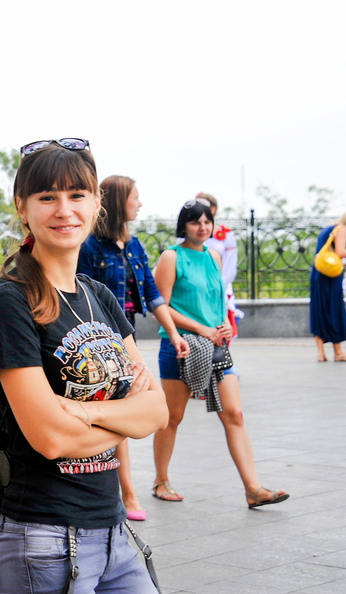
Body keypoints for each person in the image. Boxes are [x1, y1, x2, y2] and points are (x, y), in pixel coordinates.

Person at [0, 138, 168, 593]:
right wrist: (128, 420)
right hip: (43, 539)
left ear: (97, 202)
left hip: (115, 531)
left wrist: (85, 411)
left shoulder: (98, 296)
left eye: (77, 195)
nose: (64, 210)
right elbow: (49, 438)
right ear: (23, 207)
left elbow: (158, 412)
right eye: (48, 197)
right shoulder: (10, 302)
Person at [151, 197, 289, 509]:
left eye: (207, 221)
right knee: (172, 417)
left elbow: (217, 302)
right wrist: (201, 329)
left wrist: (222, 326)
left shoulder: (213, 256)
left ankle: (253, 489)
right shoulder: (172, 257)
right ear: (183, 225)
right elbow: (162, 306)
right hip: (180, 346)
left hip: (216, 345)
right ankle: (161, 480)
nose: (202, 227)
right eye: (195, 222)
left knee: (235, 414)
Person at [78, 174, 189, 522]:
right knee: (116, 410)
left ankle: (122, 490)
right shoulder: (91, 246)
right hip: (96, 343)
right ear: (117, 202)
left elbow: (154, 294)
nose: (140, 204)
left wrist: (172, 333)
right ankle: (126, 491)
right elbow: (79, 291)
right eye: (135, 198)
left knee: (126, 408)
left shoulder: (135, 246)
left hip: (127, 340)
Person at [310, 210, 346, 362]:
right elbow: (340, 251)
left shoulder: (329, 227)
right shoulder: (341, 228)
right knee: (334, 309)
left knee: (319, 310)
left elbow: (329, 252)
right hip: (330, 275)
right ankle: (339, 352)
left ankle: (321, 353)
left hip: (318, 273)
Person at [197, 192, 243, 338]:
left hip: (219, 283)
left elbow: (230, 265)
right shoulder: (187, 233)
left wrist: (218, 285)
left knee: (222, 329)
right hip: (196, 284)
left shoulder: (226, 235)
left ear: (213, 210)